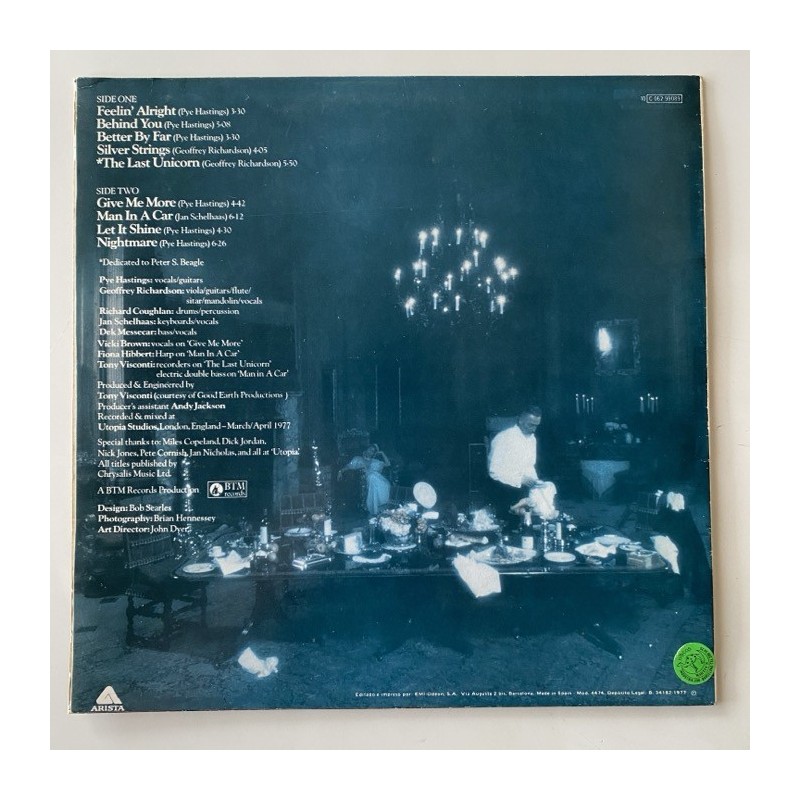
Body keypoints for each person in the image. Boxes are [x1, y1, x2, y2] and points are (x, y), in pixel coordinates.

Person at [487, 407, 549, 519]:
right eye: (531, 425)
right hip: (504, 491)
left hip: (524, 491)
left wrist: (536, 482)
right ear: (520, 420)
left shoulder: (532, 439)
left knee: (529, 523)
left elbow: (529, 466)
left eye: (536, 426)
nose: (534, 429)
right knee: (509, 524)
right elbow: (494, 471)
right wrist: (519, 479)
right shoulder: (503, 438)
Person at [338, 444, 391, 516]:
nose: (370, 452)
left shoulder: (375, 461)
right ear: (365, 450)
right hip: (367, 478)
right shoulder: (357, 459)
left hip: (377, 478)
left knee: (376, 479)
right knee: (371, 477)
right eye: (370, 449)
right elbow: (348, 466)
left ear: (374, 453)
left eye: (373, 451)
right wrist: (340, 471)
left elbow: (388, 464)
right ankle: (374, 509)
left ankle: (380, 506)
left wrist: (382, 453)